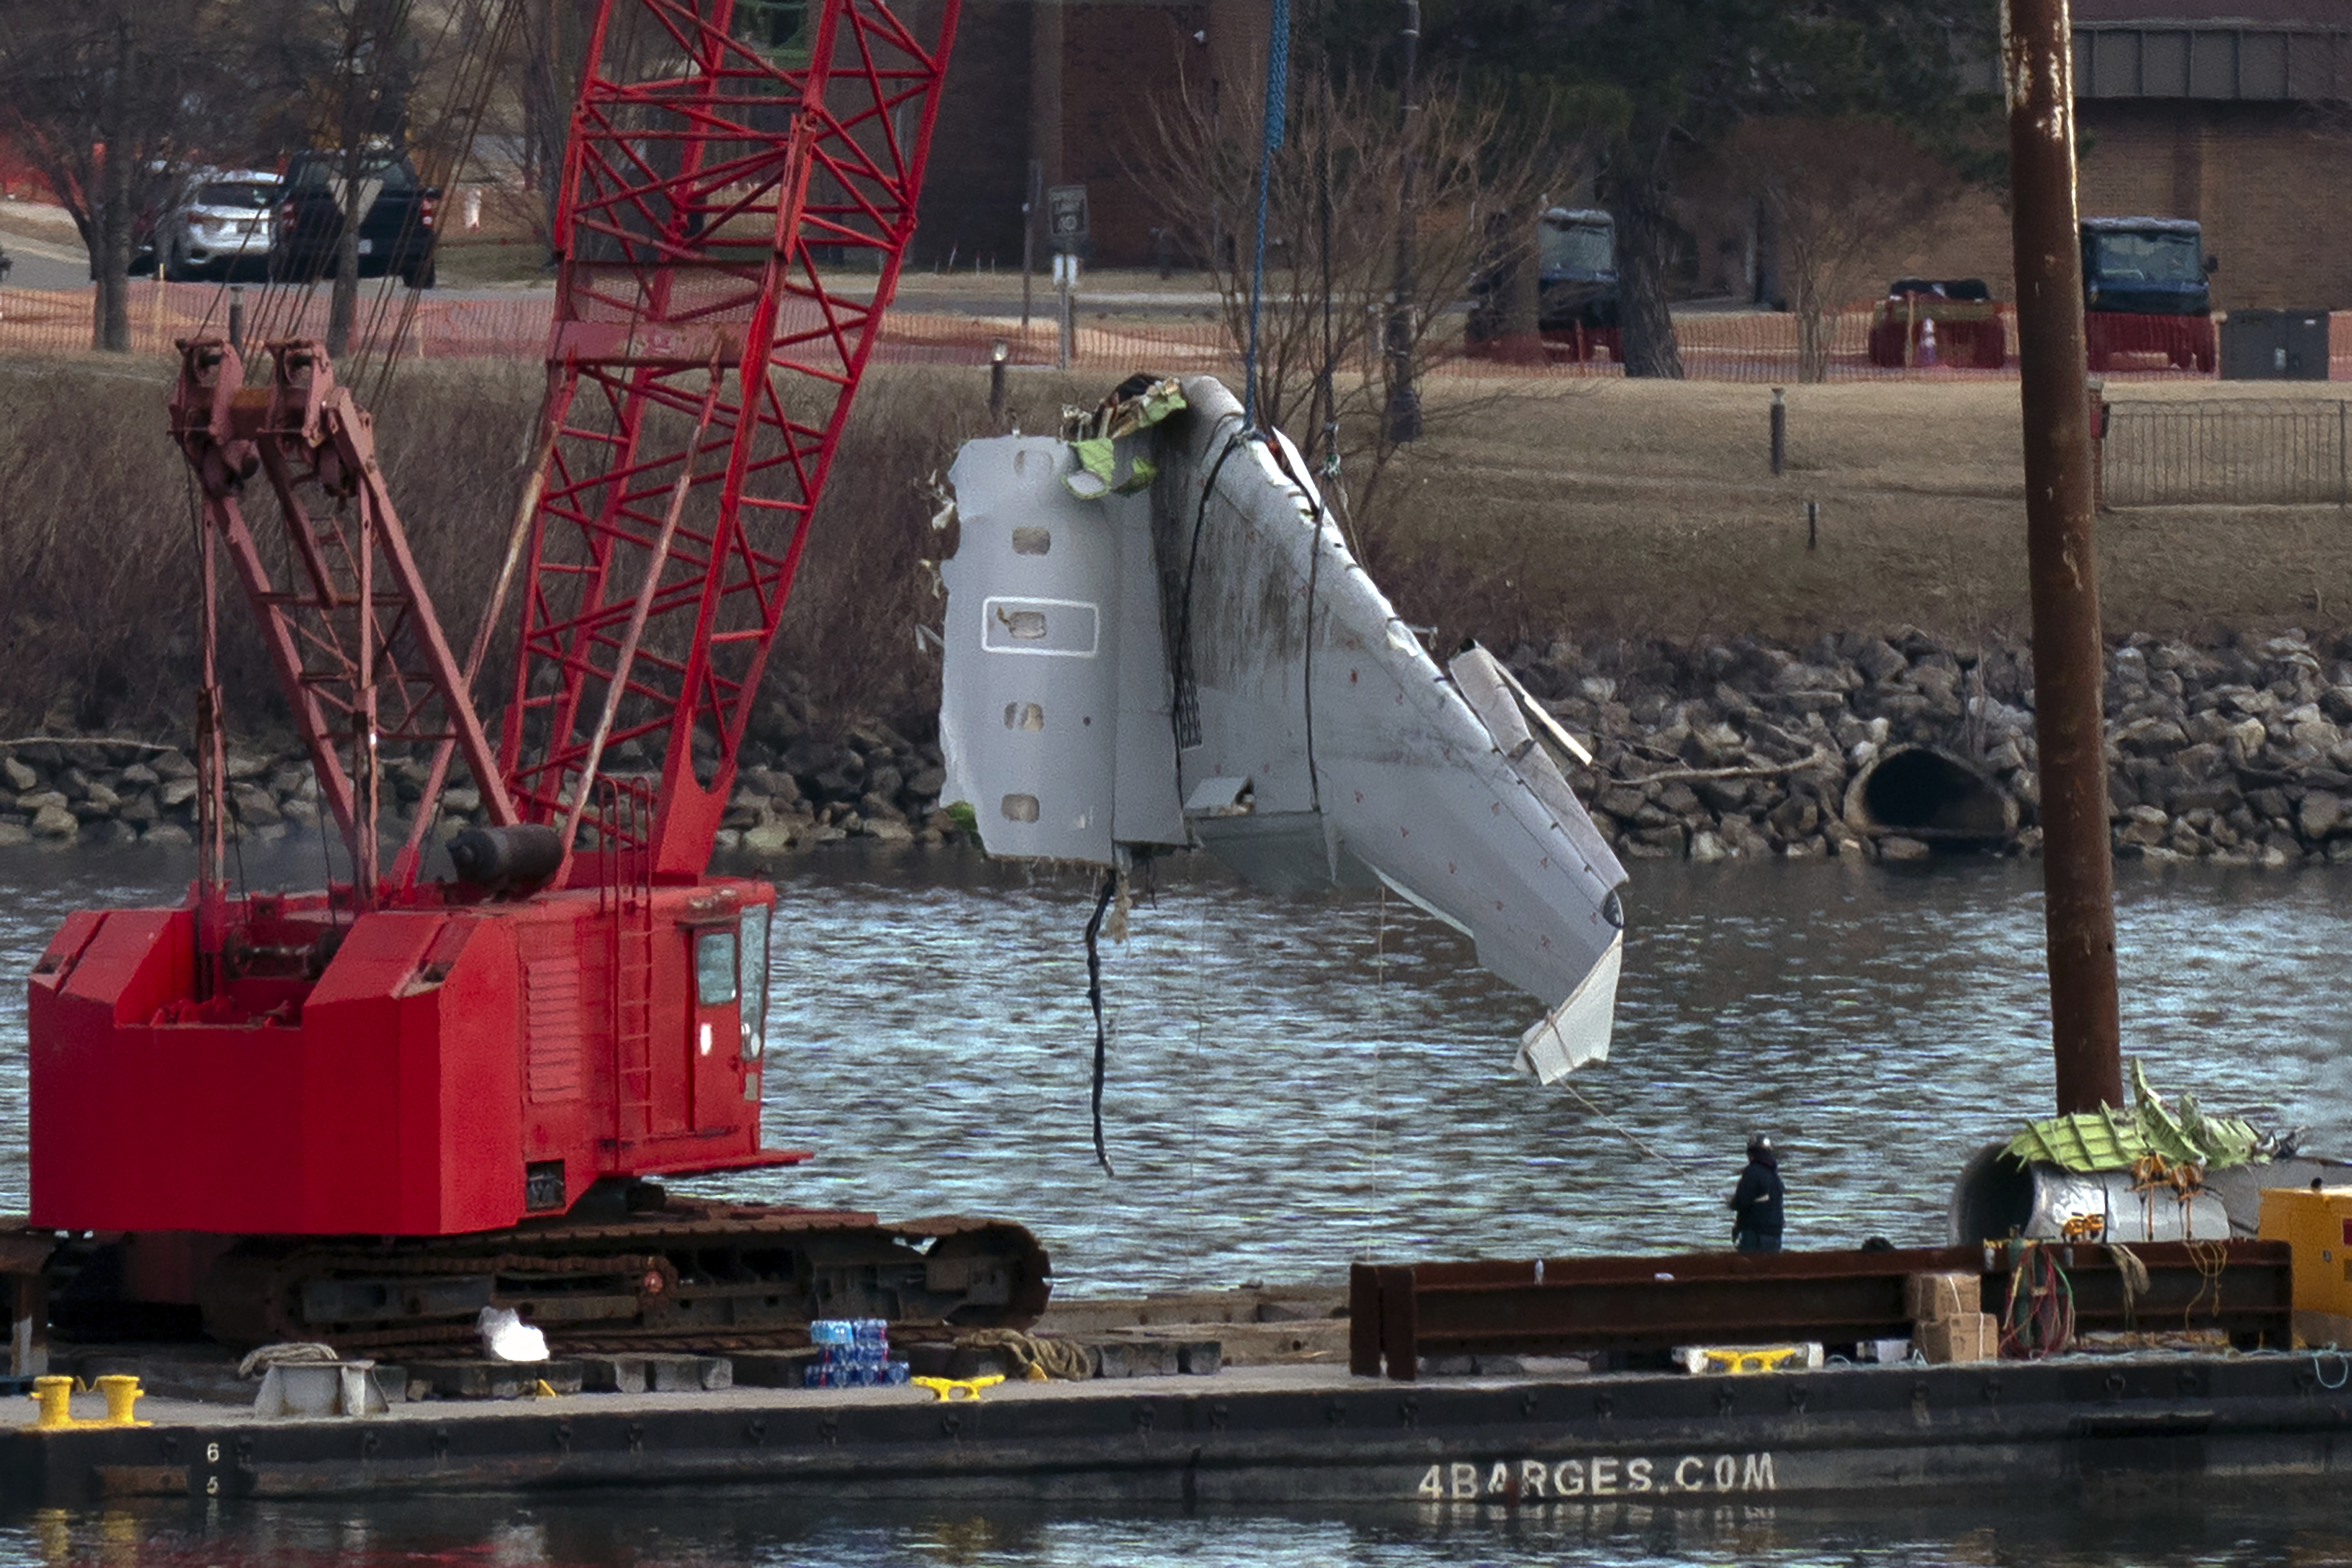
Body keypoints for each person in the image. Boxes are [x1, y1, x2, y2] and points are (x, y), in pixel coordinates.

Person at [1729, 1135, 1785, 1253]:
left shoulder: (1752, 1172)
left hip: (1755, 1237)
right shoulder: (1775, 1177)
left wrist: (1731, 1203)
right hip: (1776, 1238)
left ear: (1752, 1154)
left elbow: (1740, 1202)